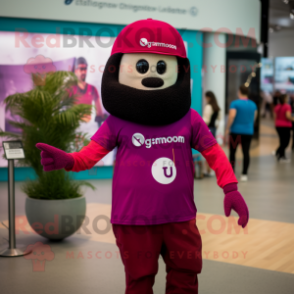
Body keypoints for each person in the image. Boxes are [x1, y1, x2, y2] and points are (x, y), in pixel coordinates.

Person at [36, 19, 249, 294]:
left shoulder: (189, 119)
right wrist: (70, 160)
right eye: (142, 66)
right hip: (133, 220)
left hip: (180, 218)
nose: (152, 74)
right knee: (139, 281)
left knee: (185, 276)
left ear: (178, 70)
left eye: (162, 66)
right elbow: (89, 156)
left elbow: (213, 153)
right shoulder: (116, 122)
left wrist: (230, 187)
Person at [226, 85, 257, 182]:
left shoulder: (234, 103)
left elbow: (232, 116)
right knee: (246, 152)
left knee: (232, 152)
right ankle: (244, 174)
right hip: (248, 132)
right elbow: (254, 117)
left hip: (235, 132)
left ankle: (232, 173)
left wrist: (227, 128)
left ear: (239, 92)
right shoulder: (253, 104)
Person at [71, 57, 106, 126]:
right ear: (76, 70)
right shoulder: (70, 89)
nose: (84, 72)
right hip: (73, 127)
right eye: (81, 69)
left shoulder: (93, 89)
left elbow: (99, 112)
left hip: (89, 126)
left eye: (85, 69)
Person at [202, 91, 221, 175]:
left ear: (208, 97)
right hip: (213, 130)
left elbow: (206, 120)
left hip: (208, 130)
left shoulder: (208, 107)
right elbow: (218, 120)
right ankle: (210, 169)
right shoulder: (217, 107)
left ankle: (208, 170)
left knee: (207, 150)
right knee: (211, 150)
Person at [273, 94, 294, 162]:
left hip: (278, 125)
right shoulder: (287, 106)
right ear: (285, 99)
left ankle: (279, 154)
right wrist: (293, 119)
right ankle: (281, 155)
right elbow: (288, 116)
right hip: (285, 126)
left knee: (282, 141)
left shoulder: (277, 106)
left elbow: (274, 116)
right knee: (286, 142)